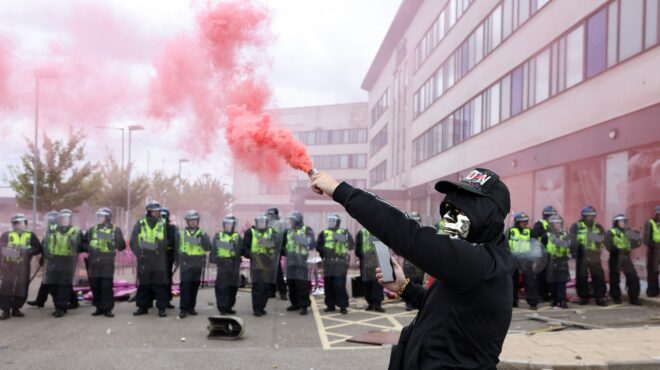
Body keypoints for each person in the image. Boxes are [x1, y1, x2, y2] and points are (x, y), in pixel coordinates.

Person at [311, 167, 513, 369]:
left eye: (460, 211)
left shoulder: (480, 263)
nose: (449, 219)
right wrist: (404, 287)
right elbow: (440, 307)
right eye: (450, 210)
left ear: (486, 215)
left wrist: (340, 191)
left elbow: (407, 234)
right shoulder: (473, 259)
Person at [82, 208, 126, 317]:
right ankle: (98, 307)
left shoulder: (115, 230)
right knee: (95, 285)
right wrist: (89, 248)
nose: (100, 218)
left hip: (107, 261)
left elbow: (122, 246)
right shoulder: (92, 229)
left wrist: (115, 243)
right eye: (99, 216)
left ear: (108, 218)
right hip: (94, 261)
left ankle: (107, 309)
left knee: (106, 285)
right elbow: (82, 243)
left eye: (102, 216)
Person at [130, 201, 169, 317]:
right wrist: (140, 255)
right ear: (149, 212)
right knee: (144, 285)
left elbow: (165, 240)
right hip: (144, 259)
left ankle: (161, 308)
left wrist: (160, 247)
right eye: (154, 211)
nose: (157, 213)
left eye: (158, 211)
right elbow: (134, 242)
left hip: (158, 259)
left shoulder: (162, 224)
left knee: (159, 285)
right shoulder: (140, 224)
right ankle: (143, 307)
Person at [0, 214, 42, 320]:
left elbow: (38, 248)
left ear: (25, 223)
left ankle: (16, 308)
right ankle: (5, 310)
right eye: (15, 223)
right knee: (6, 287)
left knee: (22, 287)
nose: (18, 225)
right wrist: (13, 254)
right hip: (9, 266)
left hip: (23, 267)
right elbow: (1, 249)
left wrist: (29, 252)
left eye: (20, 223)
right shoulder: (6, 235)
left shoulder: (30, 235)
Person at [44, 209, 82, 318]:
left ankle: (60, 307)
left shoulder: (75, 231)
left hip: (68, 260)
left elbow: (82, 244)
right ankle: (60, 304)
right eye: (61, 219)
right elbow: (46, 243)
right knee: (51, 284)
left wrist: (79, 246)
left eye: (66, 219)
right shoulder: (52, 230)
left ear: (70, 220)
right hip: (53, 259)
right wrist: (47, 255)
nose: (64, 221)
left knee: (64, 285)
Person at [243, 213, 280, 316]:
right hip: (256, 261)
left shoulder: (272, 232)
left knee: (266, 286)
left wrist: (270, 247)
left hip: (268, 261)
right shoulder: (251, 232)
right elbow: (245, 248)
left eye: (264, 222)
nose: (262, 224)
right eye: (260, 223)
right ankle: (257, 308)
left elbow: (277, 244)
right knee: (258, 285)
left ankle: (262, 306)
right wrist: (251, 255)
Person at [176, 210, 211, 318]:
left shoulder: (203, 233)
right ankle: (183, 309)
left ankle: (191, 307)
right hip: (186, 262)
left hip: (197, 261)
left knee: (194, 286)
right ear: (187, 221)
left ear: (198, 221)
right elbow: (176, 248)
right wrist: (180, 255)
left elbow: (208, 247)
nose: (193, 222)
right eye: (191, 220)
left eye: (195, 220)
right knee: (185, 285)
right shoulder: (181, 233)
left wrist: (204, 239)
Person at [317, 214, 354, 315]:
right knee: (328, 285)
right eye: (330, 221)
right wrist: (325, 250)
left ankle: (343, 306)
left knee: (339, 285)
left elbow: (351, 245)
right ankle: (330, 305)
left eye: (334, 221)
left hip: (340, 263)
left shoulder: (343, 233)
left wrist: (337, 236)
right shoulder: (324, 233)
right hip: (328, 262)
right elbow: (318, 246)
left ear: (338, 222)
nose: (331, 223)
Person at [570, 205, 607, 306]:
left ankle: (600, 297)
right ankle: (583, 297)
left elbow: (604, 239)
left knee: (598, 276)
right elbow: (572, 240)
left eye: (592, 216)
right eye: (588, 216)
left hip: (594, 254)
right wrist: (573, 252)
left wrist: (593, 237)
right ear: (583, 216)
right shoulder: (576, 226)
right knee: (581, 276)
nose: (590, 218)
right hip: (582, 254)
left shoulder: (598, 227)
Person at [281, 211, 315, 315]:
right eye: (290, 220)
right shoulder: (288, 231)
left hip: (301, 262)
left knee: (302, 285)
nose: (290, 222)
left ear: (297, 221)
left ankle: (303, 306)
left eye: (292, 220)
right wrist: (286, 252)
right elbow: (283, 245)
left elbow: (312, 244)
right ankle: (294, 303)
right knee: (291, 284)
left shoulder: (307, 230)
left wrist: (300, 239)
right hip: (290, 261)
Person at [605, 214, 642, 305]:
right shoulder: (611, 232)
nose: (622, 223)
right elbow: (608, 246)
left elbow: (636, 244)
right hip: (615, 257)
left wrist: (637, 235)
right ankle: (616, 297)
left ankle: (634, 298)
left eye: (624, 221)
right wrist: (618, 250)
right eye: (620, 222)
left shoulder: (629, 232)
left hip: (626, 258)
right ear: (616, 223)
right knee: (615, 279)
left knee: (633, 278)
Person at [211, 215, 243, 315]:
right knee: (222, 288)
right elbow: (214, 249)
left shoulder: (237, 237)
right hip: (223, 264)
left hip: (234, 265)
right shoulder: (218, 236)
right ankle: (222, 308)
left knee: (233, 288)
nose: (228, 226)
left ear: (234, 226)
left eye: (231, 225)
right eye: (227, 224)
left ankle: (229, 306)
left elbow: (240, 249)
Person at [508, 212, 538, 309]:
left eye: (525, 221)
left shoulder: (530, 232)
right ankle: (512, 302)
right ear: (517, 222)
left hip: (526, 259)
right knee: (512, 282)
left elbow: (535, 246)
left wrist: (534, 259)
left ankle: (533, 303)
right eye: (522, 222)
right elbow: (504, 244)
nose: (524, 223)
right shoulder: (510, 231)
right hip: (513, 259)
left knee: (530, 281)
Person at [355, 226, 384, 312]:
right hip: (366, 262)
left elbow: (384, 246)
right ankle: (371, 303)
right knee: (367, 283)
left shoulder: (380, 231)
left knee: (378, 283)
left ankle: (377, 304)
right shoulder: (362, 233)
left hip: (377, 261)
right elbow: (357, 248)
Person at [531, 205, 557, 302]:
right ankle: (541, 294)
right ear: (545, 216)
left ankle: (549, 294)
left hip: (552, 253)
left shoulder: (556, 224)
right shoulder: (540, 224)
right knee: (541, 275)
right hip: (542, 253)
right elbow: (535, 236)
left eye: (553, 215)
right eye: (550, 215)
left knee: (550, 275)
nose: (551, 217)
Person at [401, 212, 426, 311]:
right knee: (408, 283)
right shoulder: (405, 233)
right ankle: (408, 303)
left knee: (418, 282)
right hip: (409, 263)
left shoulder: (424, 232)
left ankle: (416, 303)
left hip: (420, 263)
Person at [545, 215, 570, 308]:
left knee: (561, 282)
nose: (557, 225)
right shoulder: (547, 235)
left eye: (559, 223)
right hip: (551, 260)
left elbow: (566, 244)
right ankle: (554, 300)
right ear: (551, 225)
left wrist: (556, 241)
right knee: (552, 282)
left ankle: (562, 300)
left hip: (562, 259)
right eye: (555, 223)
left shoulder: (565, 234)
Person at [266, 207, 288, 301]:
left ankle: (283, 292)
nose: (269, 216)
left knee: (278, 272)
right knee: (269, 272)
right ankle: (272, 291)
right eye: (268, 214)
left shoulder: (281, 224)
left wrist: (282, 248)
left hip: (276, 250)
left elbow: (284, 236)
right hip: (268, 249)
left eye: (271, 214)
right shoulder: (267, 223)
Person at [160, 207, 177, 309]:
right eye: (161, 216)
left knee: (167, 279)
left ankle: (166, 300)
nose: (162, 219)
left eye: (164, 216)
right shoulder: (153, 228)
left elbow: (175, 242)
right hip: (155, 257)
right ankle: (150, 301)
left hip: (167, 256)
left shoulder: (172, 228)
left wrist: (176, 257)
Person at [644, 205, 660, 297]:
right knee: (652, 271)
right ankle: (652, 291)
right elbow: (646, 238)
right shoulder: (650, 223)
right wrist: (652, 246)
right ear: (655, 214)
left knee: (655, 270)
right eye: (658, 214)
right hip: (653, 250)